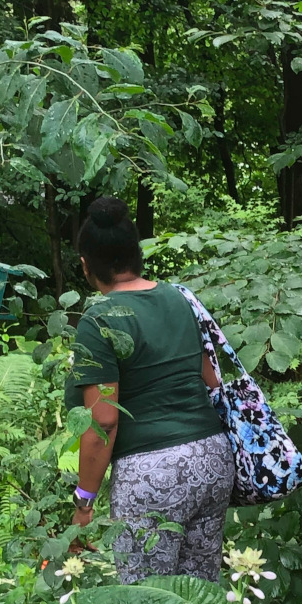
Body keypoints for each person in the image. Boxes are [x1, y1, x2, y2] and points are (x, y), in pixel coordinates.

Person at [63, 196, 234, 582]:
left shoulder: (98, 320)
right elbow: (212, 380)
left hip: (151, 474)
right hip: (212, 458)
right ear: (135, 253)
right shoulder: (181, 298)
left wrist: (84, 502)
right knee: (198, 599)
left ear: (87, 265)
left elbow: (103, 422)